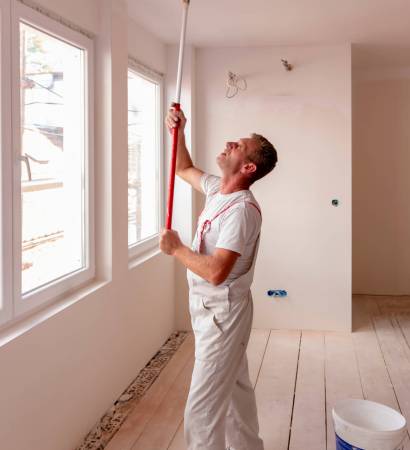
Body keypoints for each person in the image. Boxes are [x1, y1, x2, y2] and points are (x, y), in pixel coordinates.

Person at [159, 104, 278, 450]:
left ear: (248, 167)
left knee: (202, 410)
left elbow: (216, 272)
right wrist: (178, 132)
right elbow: (182, 167)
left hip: (222, 316)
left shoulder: (242, 211)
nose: (229, 143)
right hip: (212, 312)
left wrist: (177, 248)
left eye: (237, 146)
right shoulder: (217, 190)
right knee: (235, 389)